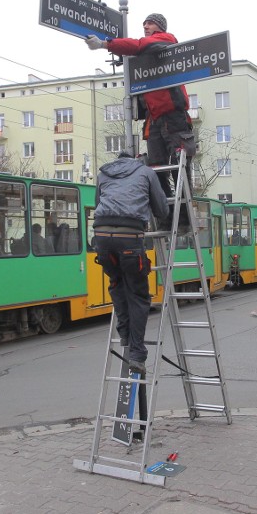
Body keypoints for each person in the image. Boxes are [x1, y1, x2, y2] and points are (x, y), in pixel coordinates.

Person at [85, 13, 195, 230]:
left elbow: (140, 45)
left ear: (160, 27)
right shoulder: (143, 58)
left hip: (174, 118)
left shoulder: (165, 41)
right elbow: (136, 48)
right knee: (157, 170)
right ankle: (165, 218)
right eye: (144, 23)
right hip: (154, 120)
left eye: (150, 23)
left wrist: (105, 44)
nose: (145, 26)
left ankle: (183, 219)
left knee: (178, 169)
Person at [93, 151, 168, 375]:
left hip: (102, 236)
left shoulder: (103, 174)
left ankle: (124, 333)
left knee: (117, 283)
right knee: (138, 295)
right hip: (130, 238)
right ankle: (137, 353)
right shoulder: (146, 172)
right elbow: (162, 209)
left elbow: (99, 203)